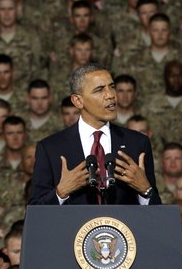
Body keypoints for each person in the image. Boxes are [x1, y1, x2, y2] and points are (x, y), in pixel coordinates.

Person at [30, 63, 160, 205]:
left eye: (112, 87)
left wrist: (145, 190)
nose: (110, 95)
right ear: (78, 101)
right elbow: (36, 213)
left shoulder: (138, 143)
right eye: (99, 90)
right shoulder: (51, 148)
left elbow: (157, 217)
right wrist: (61, 192)